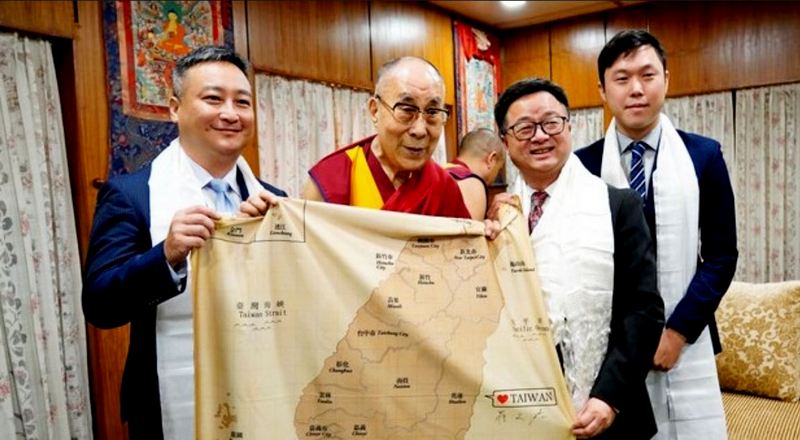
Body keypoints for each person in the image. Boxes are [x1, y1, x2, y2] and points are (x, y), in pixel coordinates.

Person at [82, 46, 286, 439]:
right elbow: (100, 304)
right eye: (213, 98)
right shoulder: (132, 194)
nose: (231, 113)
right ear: (175, 108)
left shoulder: (274, 200)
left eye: (242, 102)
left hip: (264, 392)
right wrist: (167, 255)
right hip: (166, 403)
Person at [576, 30, 738, 439]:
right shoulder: (581, 167)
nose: (636, 89)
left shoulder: (704, 156)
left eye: (647, 75)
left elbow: (721, 255)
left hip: (686, 340)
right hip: (611, 347)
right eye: (622, 77)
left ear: (666, 78)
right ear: (602, 88)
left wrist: (678, 331)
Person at [490, 78, 664, 439]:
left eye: (551, 123)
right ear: (505, 141)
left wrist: (607, 398)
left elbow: (643, 310)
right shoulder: (498, 216)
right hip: (521, 405)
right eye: (524, 127)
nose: (540, 136)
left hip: (608, 410)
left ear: (569, 128)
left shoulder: (617, 206)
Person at [242, 56, 471, 220]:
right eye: (406, 109)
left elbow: (464, 258)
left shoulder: (444, 187)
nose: (420, 129)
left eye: (432, 112)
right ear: (374, 110)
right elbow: (304, 262)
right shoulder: (334, 177)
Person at [444, 127, 506, 219]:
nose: (495, 177)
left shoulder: (441, 172)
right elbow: (472, 232)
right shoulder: (472, 183)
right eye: (498, 169)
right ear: (491, 159)